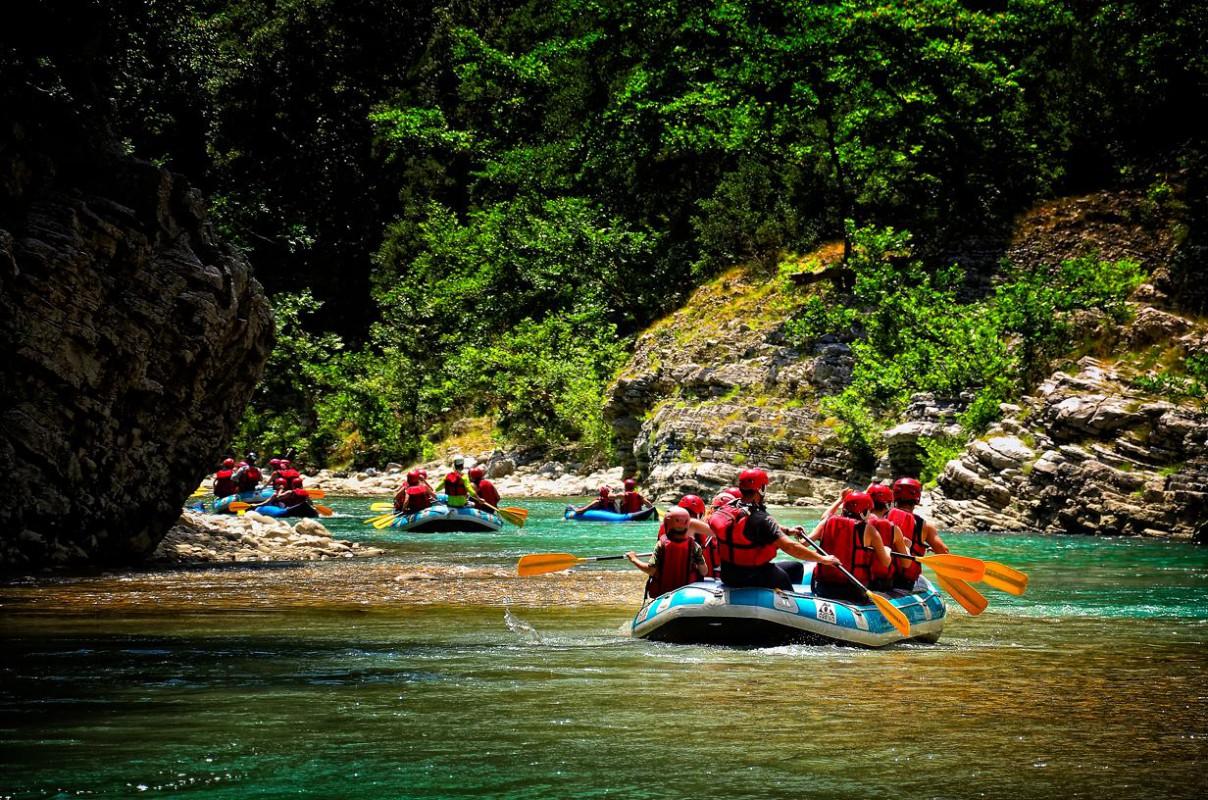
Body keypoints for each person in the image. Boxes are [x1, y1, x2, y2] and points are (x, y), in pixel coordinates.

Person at [710, 468, 839, 590]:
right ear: (761, 489)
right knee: (782, 577)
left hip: (728, 575)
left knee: (796, 567)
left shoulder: (730, 508)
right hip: (752, 576)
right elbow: (790, 547)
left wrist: (788, 531)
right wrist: (823, 559)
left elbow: (752, 531)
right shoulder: (760, 518)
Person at [807, 491, 891, 602]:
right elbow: (886, 562)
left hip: (822, 587)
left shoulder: (826, 522)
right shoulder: (869, 529)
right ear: (864, 512)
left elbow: (804, 544)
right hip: (853, 592)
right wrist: (887, 550)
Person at [627, 507, 709, 598]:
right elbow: (704, 571)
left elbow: (650, 570)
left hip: (663, 594)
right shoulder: (695, 546)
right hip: (687, 594)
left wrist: (633, 559)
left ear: (667, 523)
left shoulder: (660, 545)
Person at [886, 477, 949, 592]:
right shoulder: (925, 526)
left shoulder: (881, 518)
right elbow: (943, 552)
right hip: (905, 583)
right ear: (917, 498)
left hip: (880, 579)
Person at [866, 484, 907, 592]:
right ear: (889, 505)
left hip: (855, 580)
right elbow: (906, 563)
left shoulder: (854, 523)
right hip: (879, 585)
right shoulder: (894, 529)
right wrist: (907, 546)